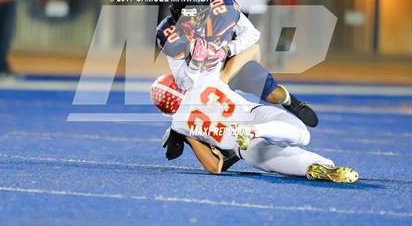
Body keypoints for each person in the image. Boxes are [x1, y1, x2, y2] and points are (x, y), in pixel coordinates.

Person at [155, 0, 318, 160]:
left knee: (273, 94)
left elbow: (252, 35)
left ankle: (290, 101)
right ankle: (187, 134)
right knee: (210, 120)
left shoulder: (224, 7)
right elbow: (183, 82)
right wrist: (194, 63)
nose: (189, 21)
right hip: (202, 80)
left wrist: (227, 50)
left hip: (231, 64)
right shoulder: (168, 33)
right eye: (184, 15)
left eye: (195, 13)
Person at [151, 70, 359, 183]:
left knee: (287, 162)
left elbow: (214, 168)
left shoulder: (180, 123)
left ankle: (319, 167)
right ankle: (256, 131)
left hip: (243, 147)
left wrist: (186, 136)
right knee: (302, 136)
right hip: (258, 116)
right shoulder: (208, 77)